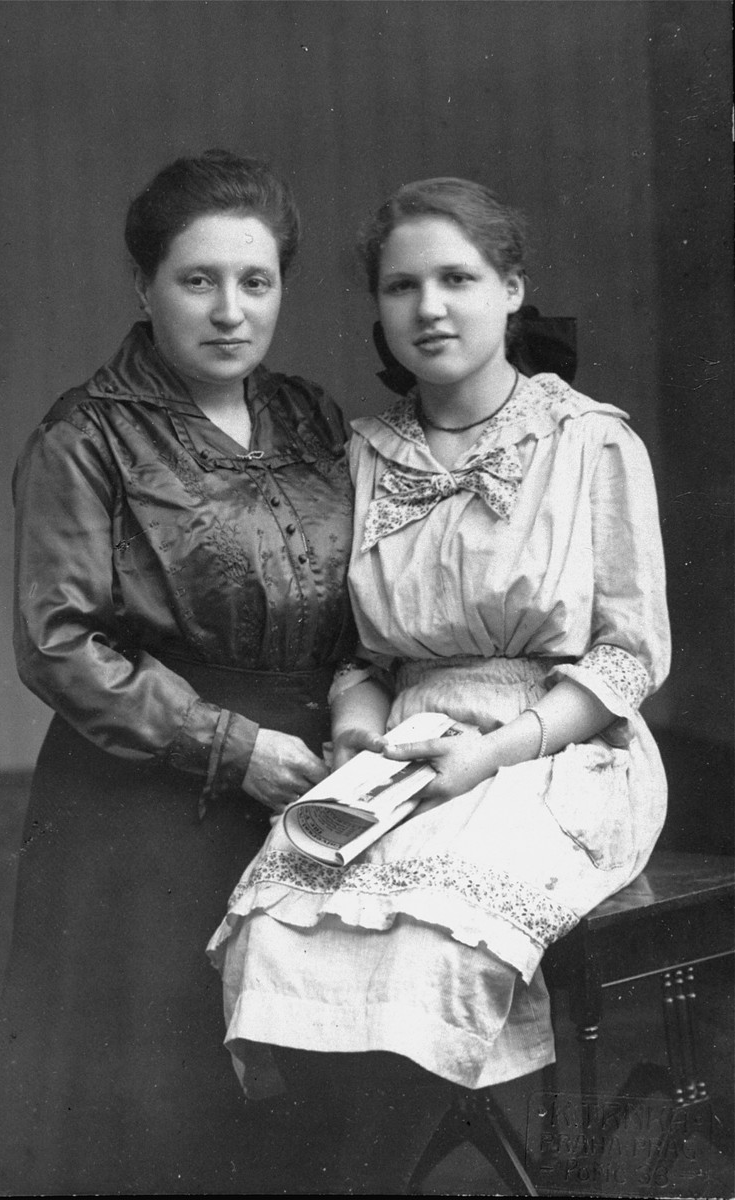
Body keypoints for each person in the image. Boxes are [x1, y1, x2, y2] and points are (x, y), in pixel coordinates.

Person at [207, 176, 671, 1193]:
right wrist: (358, 733)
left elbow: (628, 654)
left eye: (457, 278)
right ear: (377, 308)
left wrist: (492, 754)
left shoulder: (590, 441)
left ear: (512, 288)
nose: (430, 308)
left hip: (556, 747)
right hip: (407, 748)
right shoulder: (364, 458)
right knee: (285, 923)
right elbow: (361, 656)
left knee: (427, 944)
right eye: (402, 286)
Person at [0, 150, 355, 1196]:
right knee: (156, 1114)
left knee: (299, 1099)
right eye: (198, 281)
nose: (231, 311)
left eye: (257, 281)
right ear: (143, 287)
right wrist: (231, 751)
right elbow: (58, 644)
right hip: (142, 805)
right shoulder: (86, 435)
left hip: (310, 784)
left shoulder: (315, 419)